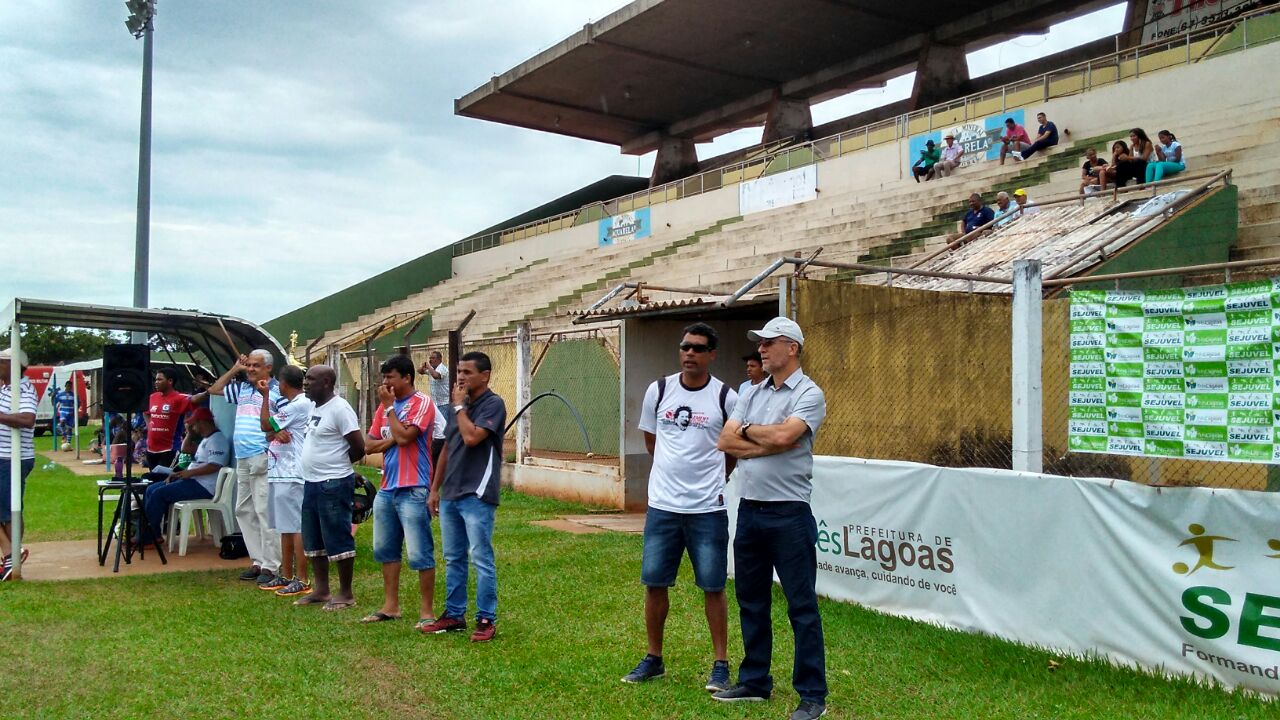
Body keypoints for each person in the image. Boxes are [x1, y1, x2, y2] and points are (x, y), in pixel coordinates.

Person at [713, 317, 828, 720]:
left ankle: (812, 695)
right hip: (750, 510)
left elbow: (785, 437)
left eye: (769, 342)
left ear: (792, 347)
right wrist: (766, 438)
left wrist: (754, 434)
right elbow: (726, 440)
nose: (761, 348)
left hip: (789, 513)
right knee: (751, 600)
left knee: (801, 606)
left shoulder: (810, 393)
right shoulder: (750, 391)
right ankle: (755, 681)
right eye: (759, 343)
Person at [622, 323, 738, 692]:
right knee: (655, 583)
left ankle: (720, 665)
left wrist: (712, 481)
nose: (689, 353)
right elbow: (652, 443)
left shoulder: (726, 397)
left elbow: (731, 451)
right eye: (685, 346)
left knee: (713, 586)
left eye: (698, 348)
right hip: (663, 507)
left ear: (711, 355)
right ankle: (653, 658)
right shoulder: (658, 391)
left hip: (707, 509)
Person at [422, 351, 507, 643]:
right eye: (458, 371)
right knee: (453, 557)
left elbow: (471, 437)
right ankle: (454, 614)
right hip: (451, 493)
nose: (460, 377)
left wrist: (459, 406)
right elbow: (448, 447)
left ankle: (486, 619)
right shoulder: (457, 406)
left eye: (467, 372)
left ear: (485, 376)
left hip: (477, 493)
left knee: (480, 557)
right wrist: (435, 488)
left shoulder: (493, 404)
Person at [362, 355, 440, 629]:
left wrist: (390, 412)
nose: (386, 383)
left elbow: (407, 438)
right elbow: (368, 446)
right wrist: (395, 437)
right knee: (385, 549)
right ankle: (390, 606)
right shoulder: (385, 408)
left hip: (414, 487)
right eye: (384, 378)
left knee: (420, 552)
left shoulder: (422, 403)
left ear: (407, 378)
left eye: (390, 377)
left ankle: (427, 611)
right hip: (387, 488)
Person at [205, 349, 288, 588]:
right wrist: (235, 369)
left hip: (263, 455)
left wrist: (270, 441)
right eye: (249, 365)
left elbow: (284, 421)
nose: (250, 369)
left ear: (268, 368)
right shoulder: (242, 388)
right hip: (242, 457)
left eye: (255, 365)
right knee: (243, 510)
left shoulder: (277, 391)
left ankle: (272, 565)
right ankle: (258, 561)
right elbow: (214, 389)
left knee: (264, 510)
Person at [293, 365, 365, 611]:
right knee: (313, 537)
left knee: (337, 535)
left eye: (311, 379)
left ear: (326, 383)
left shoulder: (340, 409)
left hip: (333, 483)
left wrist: (340, 467)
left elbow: (358, 447)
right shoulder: (314, 407)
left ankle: (345, 593)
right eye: (305, 378)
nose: (305, 383)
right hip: (311, 482)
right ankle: (322, 590)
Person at [256, 365, 314, 597]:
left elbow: (265, 424)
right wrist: (274, 431)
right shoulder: (297, 405)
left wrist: (265, 396)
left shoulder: (298, 405)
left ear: (284, 384)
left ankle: (302, 578)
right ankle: (287, 574)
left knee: (296, 526)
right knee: (285, 526)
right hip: (282, 471)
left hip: (292, 472)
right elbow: (270, 432)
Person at [138, 407, 228, 547]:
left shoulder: (217, 440)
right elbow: (185, 449)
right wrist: (190, 434)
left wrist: (190, 473)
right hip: (193, 481)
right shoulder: (207, 439)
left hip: (204, 486)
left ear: (202, 422)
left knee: (158, 494)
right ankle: (153, 534)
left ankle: (148, 538)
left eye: (194, 424)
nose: (192, 427)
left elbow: (215, 465)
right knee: (151, 489)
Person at [0, 348, 37, 581]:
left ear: (13, 365)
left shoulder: (23, 389)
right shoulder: (5, 387)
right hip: (3, 456)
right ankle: (11, 553)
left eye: (1, 362)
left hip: (12, 458)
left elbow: (28, 419)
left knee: (9, 509)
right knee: (6, 508)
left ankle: (12, 555)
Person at [145, 368, 192, 470]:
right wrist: (150, 425)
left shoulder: (179, 398)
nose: (156, 382)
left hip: (169, 449)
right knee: (153, 477)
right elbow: (145, 412)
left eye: (159, 379)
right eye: (156, 380)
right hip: (151, 449)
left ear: (170, 381)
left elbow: (195, 400)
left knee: (165, 477)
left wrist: (207, 393)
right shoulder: (152, 397)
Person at [419, 350, 450, 463]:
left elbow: (436, 376)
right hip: (436, 403)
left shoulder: (442, 369)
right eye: (430, 358)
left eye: (433, 358)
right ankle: (440, 453)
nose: (430, 360)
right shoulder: (432, 369)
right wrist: (423, 367)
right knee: (437, 429)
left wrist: (429, 367)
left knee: (443, 430)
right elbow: (419, 372)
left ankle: (445, 454)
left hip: (444, 403)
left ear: (439, 359)